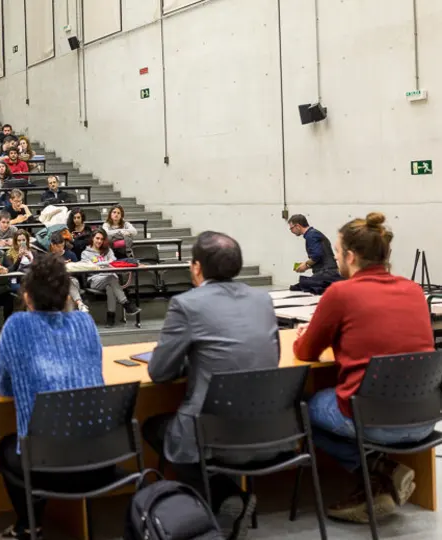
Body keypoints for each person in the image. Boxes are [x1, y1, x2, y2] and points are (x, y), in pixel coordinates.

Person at [294, 212, 434, 523]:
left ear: (351, 256)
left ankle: (377, 471)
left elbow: (306, 352)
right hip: (425, 419)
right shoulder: (413, 290)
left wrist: (307, 335)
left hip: (374, 419)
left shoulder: (341, 293)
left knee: (302, 409)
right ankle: (380, 479)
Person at [141, 231, 275, 537]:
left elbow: (159, 372)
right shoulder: (262, 298)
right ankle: (226, 496)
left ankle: (219, 497)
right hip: (270, 427)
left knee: (154, 429)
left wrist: (192, 361)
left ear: (197, 267)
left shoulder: (186, 304)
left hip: (213, 430)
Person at [0, 253, 105, 540]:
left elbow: (3, 387)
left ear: (26, 296)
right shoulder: (86, 324)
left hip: (46, 466)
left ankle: (29, 525)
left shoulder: (16, 327)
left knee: (8, 446)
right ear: (67, 294)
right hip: (102, 459)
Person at [81, 230, 141, 325]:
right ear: (92, 238)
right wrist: (106, 263)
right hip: (94, 280)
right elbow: (89, 266)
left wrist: (99, 264)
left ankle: (111, 317)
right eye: (97, 238)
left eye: (101, 239)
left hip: (110, 278)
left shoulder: (108, 250)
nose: (99, 241)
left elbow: (113, 262)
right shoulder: (85, 253)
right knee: (111, 278)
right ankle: (126, 303)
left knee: (110, 286)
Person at [288, 214, 343, 294]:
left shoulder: (311, 235)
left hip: (326, 273)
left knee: (297, 287)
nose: (291, 231)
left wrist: (306, 265)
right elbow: (319, 258)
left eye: (291, 228)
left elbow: (316, 255)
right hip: (328, 272)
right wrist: (305, 266)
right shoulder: (314, 233)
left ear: (298, 226)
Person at [48, 234, 88, 312]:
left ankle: (78, 305)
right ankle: (80, 303)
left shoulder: (71, 255)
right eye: (58, 246)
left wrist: (70, 266)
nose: (61, 249)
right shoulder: (49, 257)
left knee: (69, 281)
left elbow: (78, 273)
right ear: (52, 245)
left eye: (62, 246)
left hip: (71, 280)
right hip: (55, 283)